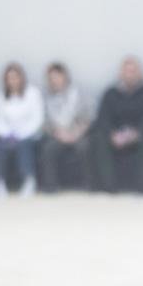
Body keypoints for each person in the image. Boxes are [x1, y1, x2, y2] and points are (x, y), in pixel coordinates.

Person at [94, 57, 143, 193]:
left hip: (138, 135)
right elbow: (103, 118)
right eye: (127, 71)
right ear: (121, 73)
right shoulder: (110, 93)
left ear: (140, 73)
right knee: (100, 138)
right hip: (115, 136)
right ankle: (109, 187)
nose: (130, 74)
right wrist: (112, 135)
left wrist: (136, 134)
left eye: (133, 71)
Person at [0, 62, 44, 196]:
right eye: (9, 78)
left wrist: (21, 134)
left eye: (15, 77)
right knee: (0, 146)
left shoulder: (33, 93)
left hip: (29, 134)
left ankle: (29, 180)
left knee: (23, 145)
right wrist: (8, 134)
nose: (13, 81)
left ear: (21, 77)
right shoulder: (0, 95)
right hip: (8, 135)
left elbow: (37, 119)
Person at [41, 62, 92, 193]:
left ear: (65, 76)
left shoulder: (78, 94)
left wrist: (76, 133)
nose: (54, 81)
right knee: (48, 149)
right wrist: (58, 133)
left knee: (84, 147)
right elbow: (44, 122)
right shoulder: (46, 97)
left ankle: (88, 185)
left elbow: (87, 117)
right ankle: (51, 187)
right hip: (57, 134)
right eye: (51, 78)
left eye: (57, 77)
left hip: (77, 133)